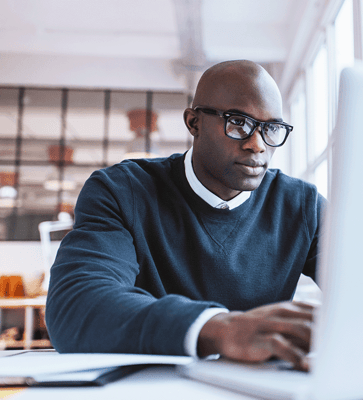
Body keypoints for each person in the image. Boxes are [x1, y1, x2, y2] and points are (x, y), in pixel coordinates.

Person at [46, 60, 325, 372]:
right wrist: (218, 329)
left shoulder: (303, 206)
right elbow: (75, 307)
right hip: (151, 387)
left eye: (271, 128)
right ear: (194, 123)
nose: (257, 145)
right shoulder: (123, 191)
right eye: (238, 123)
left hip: (262, 389)